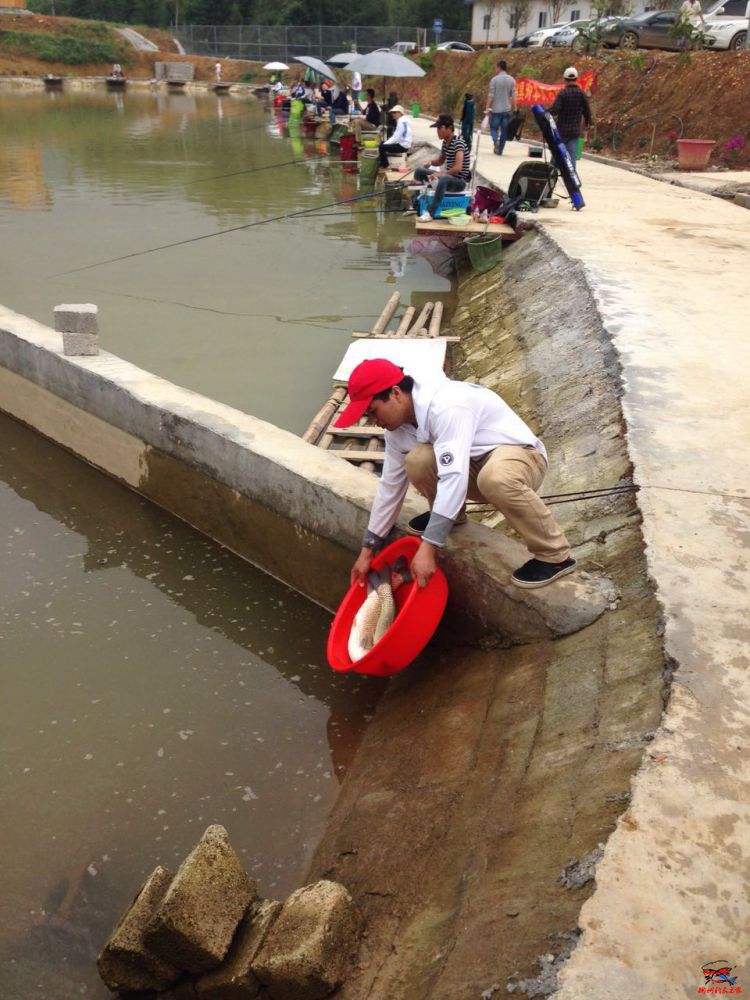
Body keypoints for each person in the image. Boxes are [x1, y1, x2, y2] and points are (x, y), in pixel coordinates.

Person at [336, 359, 576, 590]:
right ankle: (453, 517)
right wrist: (368, 548)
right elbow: (390, 486)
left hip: (520, 457)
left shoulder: (447, 406)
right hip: (471, 465)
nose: (373, 421)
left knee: (495, 478)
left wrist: (428, 547)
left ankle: (554, 555)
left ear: (396, 393)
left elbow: (453, 477)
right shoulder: (396, 430)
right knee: (417, 460)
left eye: (373, 411)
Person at [413, 114, 471, 219]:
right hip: (447, 178)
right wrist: (430, 162)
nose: (438, 131)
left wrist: (440, 174)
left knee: (443, 179)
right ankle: (419, 201)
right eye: (437, 128)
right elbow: (440, 161)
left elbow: (458, 168)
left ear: (449, 128)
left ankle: (430, 213)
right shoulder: (445, 142)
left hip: (459, 181)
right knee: (419, 171)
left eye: (440, 128)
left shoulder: (458, 142)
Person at [549, 67, 592, 166]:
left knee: (556, 157)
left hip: (562, 131)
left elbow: (554, 111)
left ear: (565, 79)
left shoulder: (562, 94)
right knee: (571, 160)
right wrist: (589, 123)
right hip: (574, 132)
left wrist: (544, 113)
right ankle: (571, 179)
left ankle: (551, 177)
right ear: (576, 79)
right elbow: (587, 112)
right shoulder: (581, 94)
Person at [485, 60, 516, 156]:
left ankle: (495, 141)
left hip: (496, 110)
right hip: (507, 109)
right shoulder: (511, 80)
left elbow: (491, 95)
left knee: (494, 128)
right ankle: (500, 150)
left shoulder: (494, 80)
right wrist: (515, 107)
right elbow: (513, 95)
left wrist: (487, 108)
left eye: (496, 67)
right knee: (504, 130)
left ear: (499, 67)